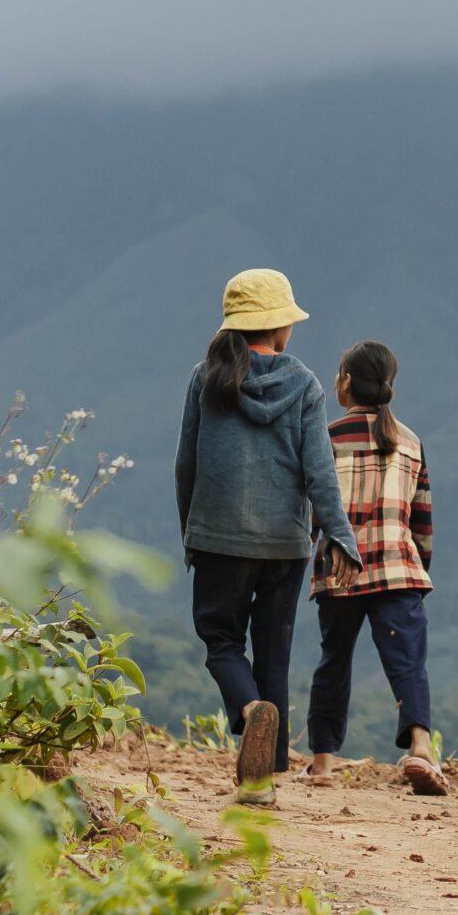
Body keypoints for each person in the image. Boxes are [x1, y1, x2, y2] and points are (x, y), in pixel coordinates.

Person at [174, 268, 363, 807]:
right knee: (273, 651)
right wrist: (338, 536)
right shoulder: (303, 382)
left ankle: (249, 711)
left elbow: (186, 463)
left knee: (221, 641)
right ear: (279, 326)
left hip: (219, 538)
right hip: (286, 543)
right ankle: (261, 781)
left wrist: (192, 529)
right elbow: (319, 470)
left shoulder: (205, 376)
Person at [301, 340, 446, 795]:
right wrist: (418, 566)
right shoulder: (410, 441)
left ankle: (323, 762)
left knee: (334, 662)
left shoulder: (326, 436)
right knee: (408, 663)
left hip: (340, 573)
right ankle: (420, 745)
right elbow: (422, 517)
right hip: (397, 569)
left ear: (345, 381)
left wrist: (309, 555)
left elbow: (313, 511)